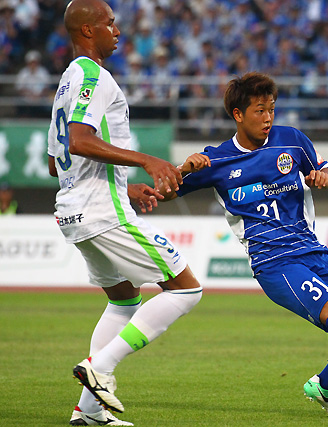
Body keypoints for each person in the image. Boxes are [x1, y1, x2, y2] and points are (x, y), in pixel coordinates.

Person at [163, 72, 328, 422]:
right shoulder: (216, 160)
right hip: (274, 263)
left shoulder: (291, 140)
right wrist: (184, 168)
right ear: (238, 114)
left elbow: (326, 171)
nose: (268, 117)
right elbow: (165, 192)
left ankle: (325, 384)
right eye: (259, 110)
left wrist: (323, 177)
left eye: (271, 109)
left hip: (313, 252)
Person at [46, 1, 203, 425]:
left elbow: (56, 162)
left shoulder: (67, 80)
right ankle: (100, 367)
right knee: (186, 290)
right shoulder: (93, 76)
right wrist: (146, 161)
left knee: (124, 298)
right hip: (100, 213)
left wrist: (122, 186)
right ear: (87, 30)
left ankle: (88, 411)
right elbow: (79, 141)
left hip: (75, 211)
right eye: (109, 23)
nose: (117, 30)